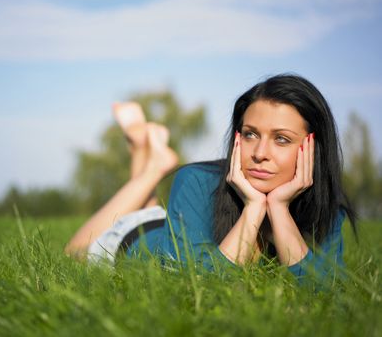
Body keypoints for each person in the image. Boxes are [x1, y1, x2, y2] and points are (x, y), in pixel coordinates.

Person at [64, 74, 357, 283]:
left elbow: (328, 288)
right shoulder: (196, 180)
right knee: (73, 253)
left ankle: (142, 147)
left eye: (281, 139)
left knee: (151, 209)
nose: (259, 153)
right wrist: (254, 208)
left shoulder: (326, 209)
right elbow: (198, 283)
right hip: (132, 241)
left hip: (176, 230)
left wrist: (279, 209)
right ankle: (153, 166)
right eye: (250, 134)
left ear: (312, 149)